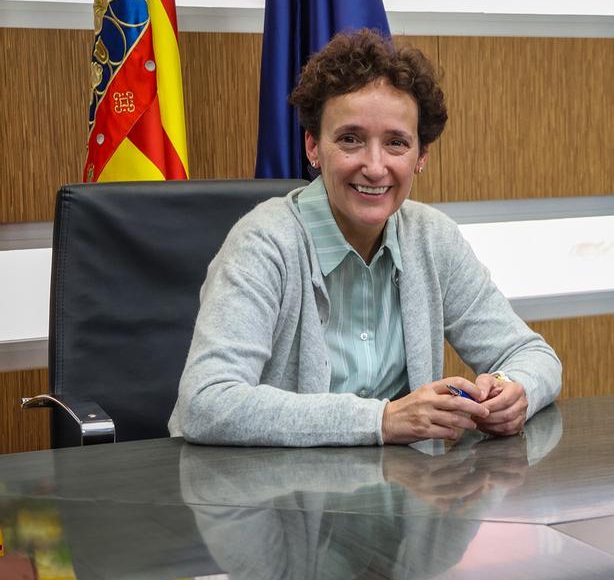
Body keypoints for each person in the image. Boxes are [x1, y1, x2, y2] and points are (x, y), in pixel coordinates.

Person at [169, 29, 561, 446]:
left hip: (403, 499)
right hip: (277, 501)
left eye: (396, 143)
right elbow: (206, 403)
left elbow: (534, 356)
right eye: (350, 140)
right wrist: (382, 420)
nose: (374, 167)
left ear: (421, 157)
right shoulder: (264, 242)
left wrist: (512, 389)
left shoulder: (432, 238)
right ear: (313, 148)